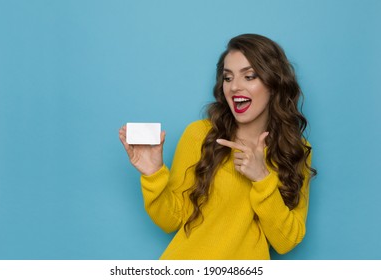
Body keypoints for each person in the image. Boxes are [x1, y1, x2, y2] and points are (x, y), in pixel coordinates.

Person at [119, 34, 317, 260]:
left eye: (249, 76)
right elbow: (172, 219)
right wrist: (153, 175)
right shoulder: (201, 135)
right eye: (228, 77)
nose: (234, 87)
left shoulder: (295, 149)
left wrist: (262, 179)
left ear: (273, 84)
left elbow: (287, 241)